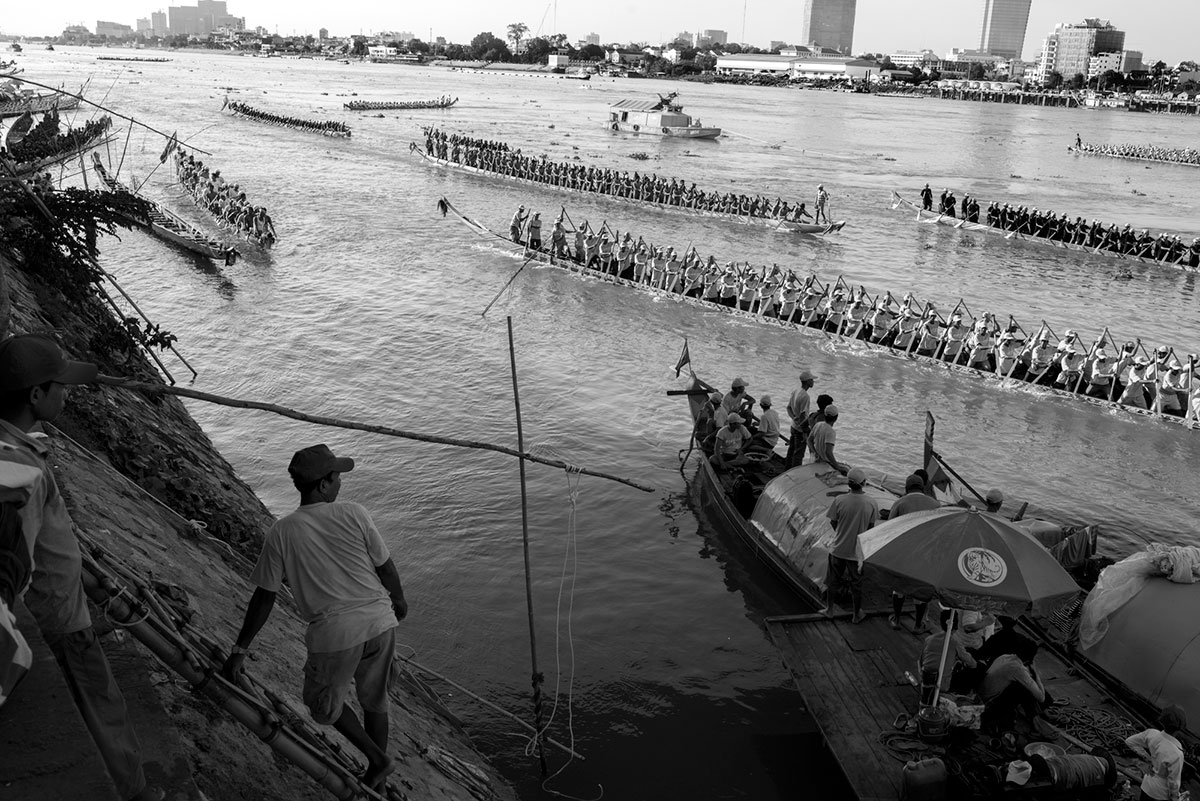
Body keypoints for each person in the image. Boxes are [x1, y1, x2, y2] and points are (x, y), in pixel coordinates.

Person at [0, 334, 162, 801]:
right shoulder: (22, 476)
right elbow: (16, 558)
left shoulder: (15, 448)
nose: (67, 394)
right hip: (58, 615)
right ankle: (133, 792)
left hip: (54, 609)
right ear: (36, 395)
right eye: (61, 386)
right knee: (99, 702)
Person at [223, 444, 408, 791]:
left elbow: (265, 596)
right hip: (379, 622)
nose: (340, 483)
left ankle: (378, 763)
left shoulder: (282, 531)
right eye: (336, 477)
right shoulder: (355, 513)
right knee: (375, 702)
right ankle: (378, 774)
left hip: (335, 634)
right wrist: (398, 600)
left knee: (322, 705)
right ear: (323, 485)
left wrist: (240, 648)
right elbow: (385, 566)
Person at [823, 467, 876, 623]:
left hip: (838, 548)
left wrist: (841, 532)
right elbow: (870, 528)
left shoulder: (840, 500)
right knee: (856, 585)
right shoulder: (871, 503)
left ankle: (829, 610)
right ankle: (856, 614)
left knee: (832, 581)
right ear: (863, 483)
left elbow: (833, 521)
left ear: (849, 483)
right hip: (857, 552)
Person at [888, 474, 941, 632]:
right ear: (923, 487)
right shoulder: (935, 504)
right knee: (920, 591)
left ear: (906, 488)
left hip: (903, 553)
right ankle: (918, 625)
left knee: (899, 588)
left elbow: (889, 527)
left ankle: (896, 619)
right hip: (925, 554)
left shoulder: (900, 502)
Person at [980, 640, 1050, 733]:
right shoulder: (1017, 669)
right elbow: (1041, 698)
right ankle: (1035, 720)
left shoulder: (1004, 657)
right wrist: (1035, 672)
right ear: (1031, 658)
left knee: (1025, 683)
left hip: (981, 693)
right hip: (989, 703)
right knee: (1023, 689)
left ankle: (1039, 713)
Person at [1125, 705, 1187, 801]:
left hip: (1146, 785)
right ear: (1180, 727)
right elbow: (1173, 782)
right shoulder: (1177, 754)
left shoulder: (1152, 734)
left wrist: (1148, 758)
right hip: (1160, 795)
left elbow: (1129, 741)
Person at [919, 610, 977, 705]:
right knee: (973, 669)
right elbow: (972, 663)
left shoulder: (929, 639)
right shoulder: (954, 642)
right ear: (956, 625)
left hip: (925, 679)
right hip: (942, 684)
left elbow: (921, 661)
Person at [786, 370, 816, 468]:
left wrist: (794, 418)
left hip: (793, 426)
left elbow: (788, 408)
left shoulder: (795, 391)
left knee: (791, 450)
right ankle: (794, 472)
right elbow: (803, 415)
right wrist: (804, 431)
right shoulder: (805, 396)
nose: (813, 381)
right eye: (812, 380)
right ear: (807, 381)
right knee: (798, 454)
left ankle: (787, 469)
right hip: (800, 430)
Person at [808, 403, 848, 474]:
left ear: (824, 415)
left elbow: (809, 440)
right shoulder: (831, 432)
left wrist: (815, 453)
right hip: (825, 464)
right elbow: (828, 452)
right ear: (836, 418)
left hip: (815, 460)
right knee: (847, 469)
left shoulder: (818, 425)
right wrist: (838, 467)